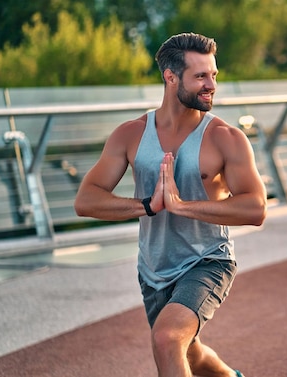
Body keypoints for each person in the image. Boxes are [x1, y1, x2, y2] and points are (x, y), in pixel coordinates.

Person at [74, 32, 267, 377]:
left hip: (208, 260)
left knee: (165, 339)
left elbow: (255, 208)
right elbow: (86, 200)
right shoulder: (130, 134)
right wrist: (149, 205)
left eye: (214, 75)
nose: (211, 85)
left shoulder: (225, 138)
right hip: (153, 268)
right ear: (171, 77)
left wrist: (182, 206)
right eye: (201, 76)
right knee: (187, 350)